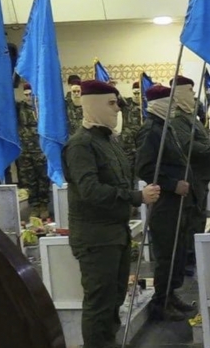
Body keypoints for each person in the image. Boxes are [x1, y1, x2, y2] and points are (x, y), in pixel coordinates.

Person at [62, 80, 160, 348]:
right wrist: (136, 197)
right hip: (95, 237)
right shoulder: (81, 145)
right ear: (94, 104)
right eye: (112, 103)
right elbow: (90, 190)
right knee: (99, 302)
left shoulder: (107, 140)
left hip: (115, 232)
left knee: (115, 297)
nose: (117, 109)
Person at [135, 85, 198, 321]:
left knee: (177, 251)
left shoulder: (164, 127)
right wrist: (172, 184)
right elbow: (144, 168)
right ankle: (161, 302)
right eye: (169, 102)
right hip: (165, 201)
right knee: (167, 254)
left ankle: (171, 295)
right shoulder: (150, 131)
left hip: (177, 201)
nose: (173, 106)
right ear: (158, 104)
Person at [169, 75, 210, 273]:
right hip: (191, 175)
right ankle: (188, 259)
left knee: (198, 217)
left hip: (200, 175)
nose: (193, 94)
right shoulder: (177, 119)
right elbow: (188, 146)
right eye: (189, 90)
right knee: (190, 219)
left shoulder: (190, 116)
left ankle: (194, 255)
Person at [16, 83, 51, 218]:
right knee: (29, 180)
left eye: (30, 94)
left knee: (43, 179)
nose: (28, 97)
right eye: (25, 95)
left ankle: (44, 205)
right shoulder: (19, 107)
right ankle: (34, 206)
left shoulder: (41, 108)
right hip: (25, 150)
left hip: (40, 149)